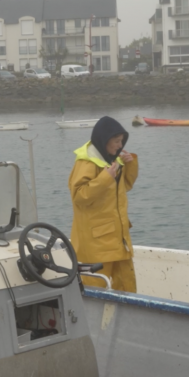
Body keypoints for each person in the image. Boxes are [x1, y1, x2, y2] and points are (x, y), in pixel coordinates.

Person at [68, 116, 139, 292]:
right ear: (104, 140)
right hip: (96, 244)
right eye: (116, 141)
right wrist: (106, 178)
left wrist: (130, 164)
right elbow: (79, 196)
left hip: (118, 239)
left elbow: (125, 186)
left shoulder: (113, 161)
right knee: (95, 290)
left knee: (127, 288)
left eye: (121, 141)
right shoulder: (86, 163)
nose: (120, 146)